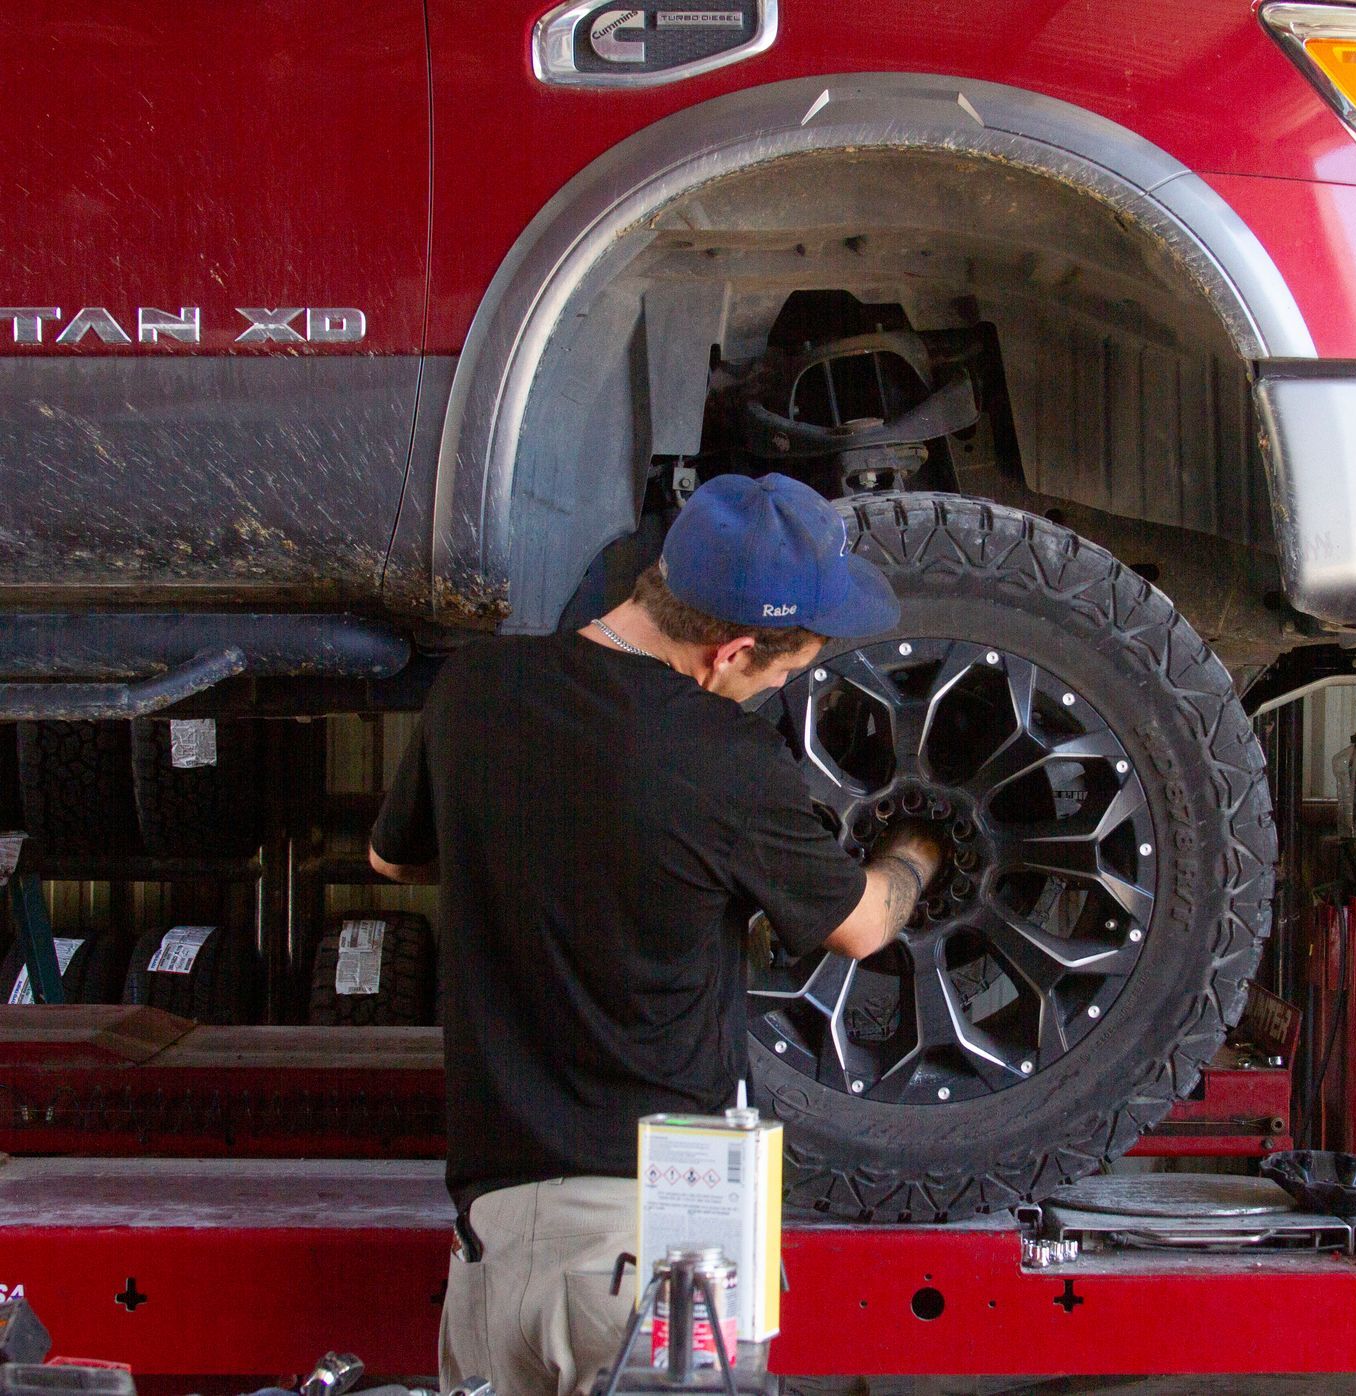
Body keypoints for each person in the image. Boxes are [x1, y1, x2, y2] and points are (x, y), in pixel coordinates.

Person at [368, 473, 943, 1396]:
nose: (772, 694)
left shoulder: (473, 692)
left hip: (491, 1251)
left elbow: (394, 862)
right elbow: (864, 924)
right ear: (732, 651)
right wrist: (917, 855)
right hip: (651, 1259)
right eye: (780, 676)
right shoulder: (721, 758)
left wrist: (527, 841)